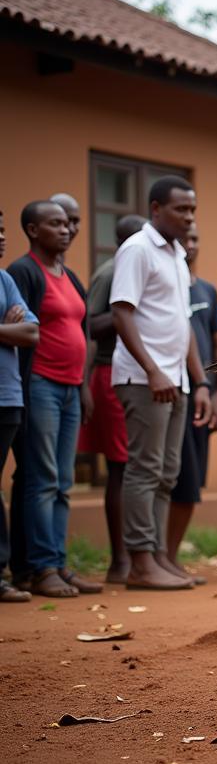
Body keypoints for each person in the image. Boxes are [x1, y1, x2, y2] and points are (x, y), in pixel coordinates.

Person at [111, 177, 212, 591]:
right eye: (181, 210)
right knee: (145, 469)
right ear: (156, 209)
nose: (189, 217)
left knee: (168, 472)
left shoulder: (176, 254)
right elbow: (121, 312)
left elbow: (182, 321)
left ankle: (156, 557)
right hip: (144, 379)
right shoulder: (137, 249)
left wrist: (200, 380)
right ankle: (139, 562)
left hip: (177, 381)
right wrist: (152, 370)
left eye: (192, 210)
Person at [7, 201, 97, 598]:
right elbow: (23, 331)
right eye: (54, 224)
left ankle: (58, 563)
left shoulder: (71, 275)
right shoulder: (24, 272)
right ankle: (40, 568)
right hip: (40, 384)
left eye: (67, 223)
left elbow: (84, 330)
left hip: (70, 387)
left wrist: (83, 385)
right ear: (32, 229)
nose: (66, 230)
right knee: (41, 479)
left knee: (62, 481)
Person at [78, 213, 146, 584]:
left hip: (139, 376)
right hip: (111, 372)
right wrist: (127, 316)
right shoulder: (111, 272)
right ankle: (120, 560)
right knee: (121, 468)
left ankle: (142, 556)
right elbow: (90, 325)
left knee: (138, 467)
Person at [166, 226, 217, 569]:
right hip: (171, 390)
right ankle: (158, 557)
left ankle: (171, 557)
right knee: (169, 477)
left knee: (191, 483)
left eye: (195, 239)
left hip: (203, 398)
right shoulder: (167, 288)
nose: (189, 245)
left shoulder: (207, 290)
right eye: (183, 240)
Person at [0, 209, 39, 603]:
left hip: (7, 396)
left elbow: (31, 331)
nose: (0, 236)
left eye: (1, 227)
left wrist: (14, 330)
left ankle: (1, 571)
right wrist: (5, 329)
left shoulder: (5, 279)